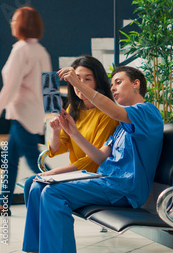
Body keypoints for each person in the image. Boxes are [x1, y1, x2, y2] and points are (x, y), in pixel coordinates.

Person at [23, 65, 163, 252]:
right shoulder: (123, 125)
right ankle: (37, 249)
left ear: (136, 84)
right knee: (38, 185)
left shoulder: (147, 112)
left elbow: (114, 111)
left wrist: (76, 82)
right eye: (111, 84)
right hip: (106, 182)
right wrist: (72, 132)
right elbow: (99, 156)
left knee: (53, 193)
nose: (113, 88)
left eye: (118, 82)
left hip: (124, 189)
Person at [23, 55, 119, 204]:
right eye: (77, 78)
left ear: (97, 82)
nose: (80, 84)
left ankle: (43, 227)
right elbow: (56, 149)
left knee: (34, 183)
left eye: (87, 79)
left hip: (95, 176)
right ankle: (39, 228)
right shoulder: (74, 109)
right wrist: (56, 131)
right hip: (77, 174)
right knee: (32, 184)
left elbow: (95, 162)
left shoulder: (108, 115)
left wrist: (54, 173)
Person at [0, 7, 51, 216]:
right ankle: (3, 203)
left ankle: (61, 190)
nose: (11, 22)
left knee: (33, 160)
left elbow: (12, 85)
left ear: (23, 24)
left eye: (15, 19)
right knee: (11, 159)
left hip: (23, 114)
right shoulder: (40, 50)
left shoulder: (21, 49)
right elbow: (48, 84)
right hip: (29, 113)